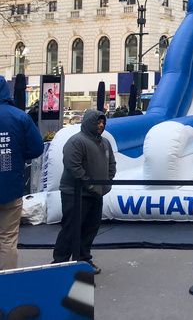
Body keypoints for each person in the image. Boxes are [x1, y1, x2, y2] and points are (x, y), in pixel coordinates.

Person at [52, 110, 116, 274]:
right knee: (71, 228)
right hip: (74, 193)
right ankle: (59, 263)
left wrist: (105, 184)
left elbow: (111, 164)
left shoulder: (105, 143)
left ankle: (82, 260)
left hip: (96, 193)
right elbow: (73, 166)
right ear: (89, 122)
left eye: (103, 122)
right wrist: (91, 185)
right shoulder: (76, 141)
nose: (101, 125)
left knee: (91, 228)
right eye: (97, 122)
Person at [0, 76, 44, 270]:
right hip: (10, 186)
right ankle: (6, 284)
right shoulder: (19, 117)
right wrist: (18, 154)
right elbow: (36, 148)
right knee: (8, 239)